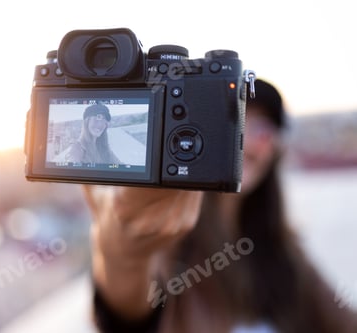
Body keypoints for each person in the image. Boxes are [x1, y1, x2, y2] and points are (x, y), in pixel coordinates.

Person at [83, 79, 357, 332]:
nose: (244, 142)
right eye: (233, 121)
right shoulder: (174, 237)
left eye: (261, 131)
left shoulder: (283, 249)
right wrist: (123, 253)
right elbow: (126, 312)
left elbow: (341, 318)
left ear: (275, 149)